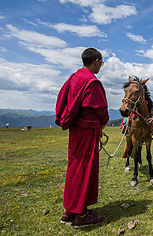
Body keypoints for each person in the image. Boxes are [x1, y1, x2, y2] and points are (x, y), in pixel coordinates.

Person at [55, 48, 109, 228]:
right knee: (85, 168)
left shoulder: (73, 77)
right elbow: (100, 108)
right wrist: (104, 121)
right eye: (101, 63)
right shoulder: (92, 81)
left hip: (76, 130)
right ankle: (82, 214)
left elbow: (62, 99)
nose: (101, 66)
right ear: (95, 61)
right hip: (87, 130)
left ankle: (69, 210)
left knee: (74, 166)